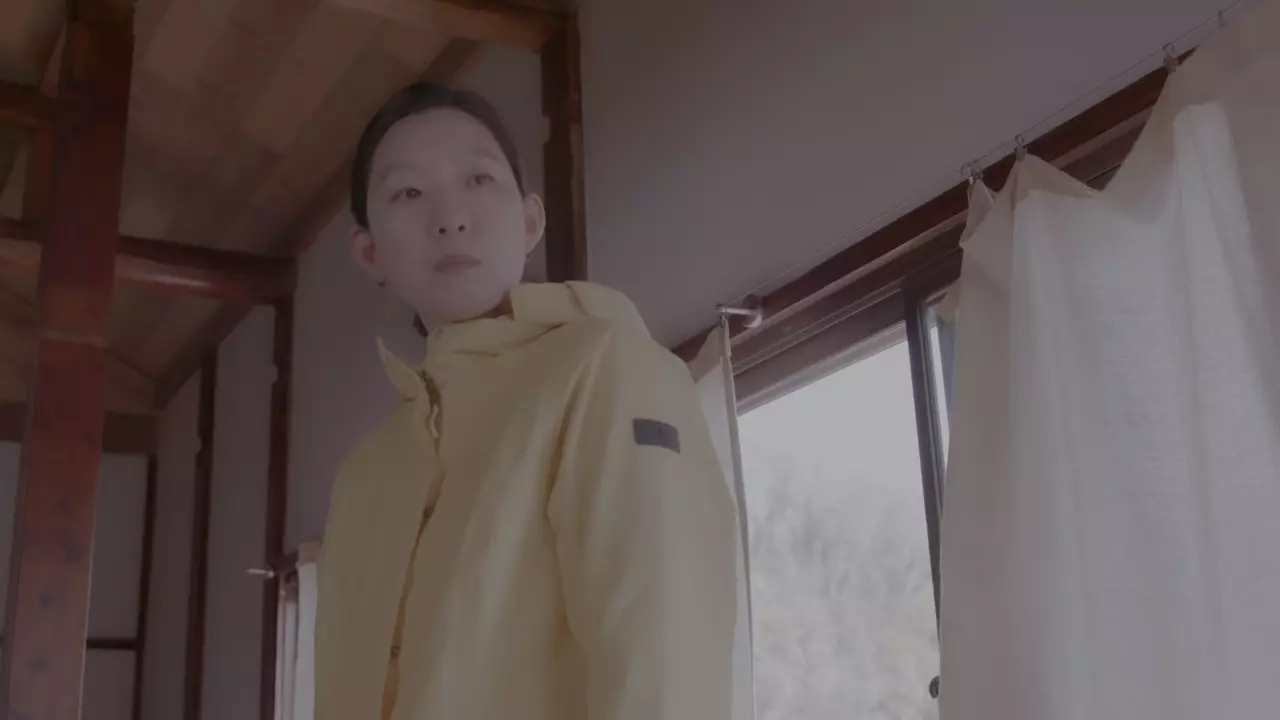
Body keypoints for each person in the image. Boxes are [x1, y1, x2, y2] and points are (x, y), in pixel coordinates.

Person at [315, 82, 740, 720]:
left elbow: (666, 672)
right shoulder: (365, 471)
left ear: (531, 221)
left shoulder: (609, 372)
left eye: (479, 179)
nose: (450, 216)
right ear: (369, 250)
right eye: (408, 193)